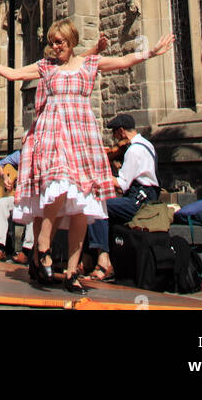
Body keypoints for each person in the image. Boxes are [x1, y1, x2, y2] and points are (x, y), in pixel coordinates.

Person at [0, 18, 174, 294]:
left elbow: (124, 61)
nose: (56, 46)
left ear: (71, 42)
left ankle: (72, 272)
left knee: (84, 205)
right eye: (52, 42)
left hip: (82, 138)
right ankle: (43, 245)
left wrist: (151, 52)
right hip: (54, 136)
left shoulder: (89, 64)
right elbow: (14, 74)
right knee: (58, 188)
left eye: (60, 42)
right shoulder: (46, 67)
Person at [86, 113, 160, 281]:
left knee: (96, 205)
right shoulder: (147, 144)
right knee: (104, 206)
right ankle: (91, 258)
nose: (114, 138)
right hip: (146, 196)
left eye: (114, 133)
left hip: (139, 200)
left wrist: (98, 175)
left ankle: (103, 260)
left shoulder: (134, 150)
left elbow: (122, 184)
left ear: (121, 132)